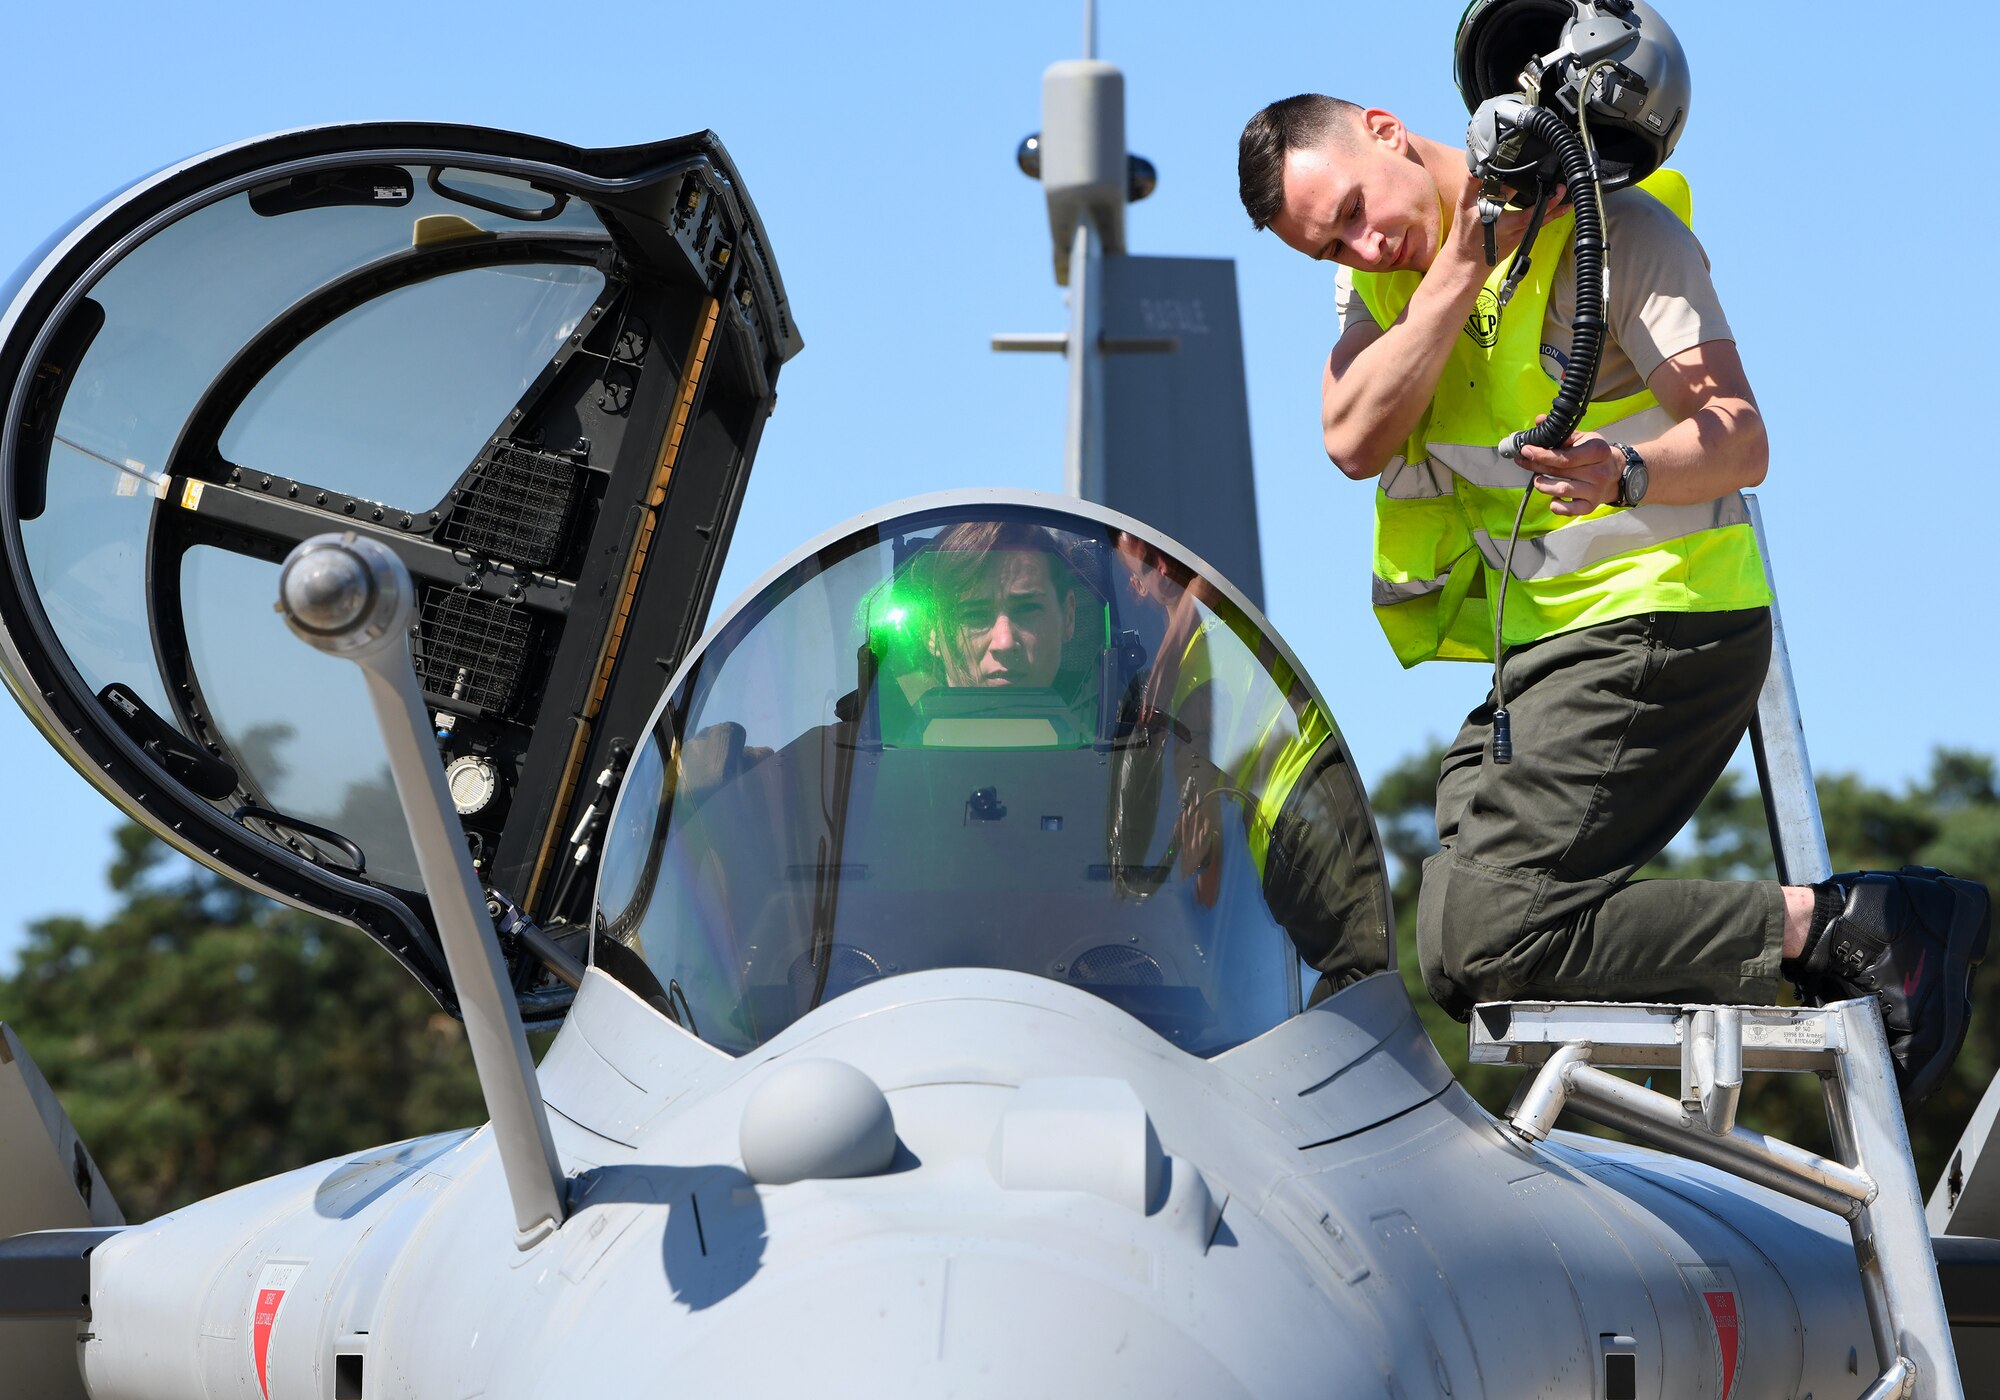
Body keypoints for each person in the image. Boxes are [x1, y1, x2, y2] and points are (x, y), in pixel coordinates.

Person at [1236, 93, 1989, 1103]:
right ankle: (1817, 934)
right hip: (1544, 659)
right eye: (1331, 243)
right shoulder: (1397, 294)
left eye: (1357, 212)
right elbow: (1350, 439)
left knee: (1483, 938)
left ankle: (1845, 926)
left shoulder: (1618, 233)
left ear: (1382, 129)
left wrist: (1625, 468)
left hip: (1664, 622)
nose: (1366, 246)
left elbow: (1739, 436)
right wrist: (1457, 261)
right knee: (1453, 936)